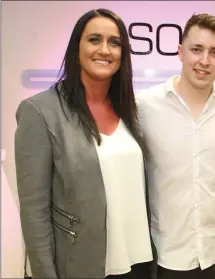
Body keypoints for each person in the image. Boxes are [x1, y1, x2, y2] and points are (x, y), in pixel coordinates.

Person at [15, 8, 156, 279]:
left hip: (137, 263)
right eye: (94, 40)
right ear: (76, 47)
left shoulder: (129, 109)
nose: (105, 50)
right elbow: (34, 212)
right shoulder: (40, 111)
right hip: (82, 265)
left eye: (114, 43)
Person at [136, 14, 215, 279]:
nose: (204, 61)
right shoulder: (144, 106)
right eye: (196, 49)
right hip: (166, 254)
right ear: (180, 52)